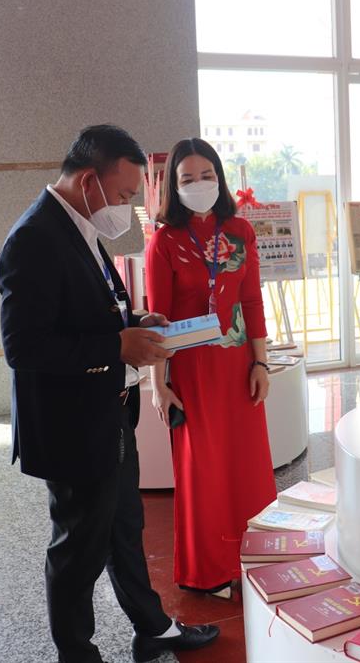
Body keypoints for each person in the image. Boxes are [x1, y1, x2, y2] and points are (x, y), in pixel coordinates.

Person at [0, 125, 220, 663]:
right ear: (89, 181)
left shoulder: (79, 226)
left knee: (125, 528)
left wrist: (136, 323)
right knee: (78, 549)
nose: (125, 207)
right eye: (123, 194)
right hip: (71, 425)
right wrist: (116, 345)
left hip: (108, 413)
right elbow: (23, 346)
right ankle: (77, 654)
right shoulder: (33, 239)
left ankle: (153, 628)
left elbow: (87, 310)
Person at [145, 138, 277, 598]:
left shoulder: (240, 231)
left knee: (247, 465)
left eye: (206, 175)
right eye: (187, 178)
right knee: (203, 472)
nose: (198, 184)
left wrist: (261, 362)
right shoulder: (164, 241)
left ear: (219, 178)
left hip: (239, 366)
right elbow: (157, 320)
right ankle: (208, 571)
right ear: (173, 186)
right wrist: (158, 386)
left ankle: (256, 558)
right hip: (192, 372)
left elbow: (251, 300)